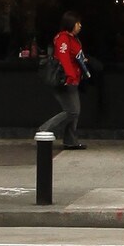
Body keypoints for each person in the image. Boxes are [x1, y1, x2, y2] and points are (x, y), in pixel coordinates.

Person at [43, 10, 89, 150]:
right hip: (64, 80)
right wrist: (70, 76)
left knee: (74, 111)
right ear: (71, 24)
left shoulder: (73, 38)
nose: (80, 26)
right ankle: (44, 131)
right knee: (72, 111)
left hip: (73, 79)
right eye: (77, 23)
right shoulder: (63, 38)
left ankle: (70, 141)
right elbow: (64, 59)